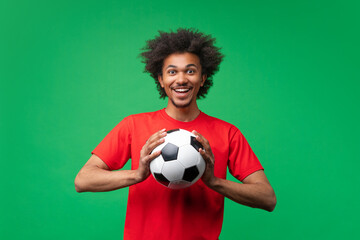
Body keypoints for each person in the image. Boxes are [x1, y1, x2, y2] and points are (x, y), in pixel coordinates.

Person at [75, 28, 276, 240]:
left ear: (203, 78)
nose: (181, 79)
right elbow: (83, 180)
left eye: (190, 71)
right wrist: (137, 174)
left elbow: (267, 198)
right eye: (172, 72)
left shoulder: (228, 133)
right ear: (161, 79)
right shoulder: (133, 125)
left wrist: (213, 181)